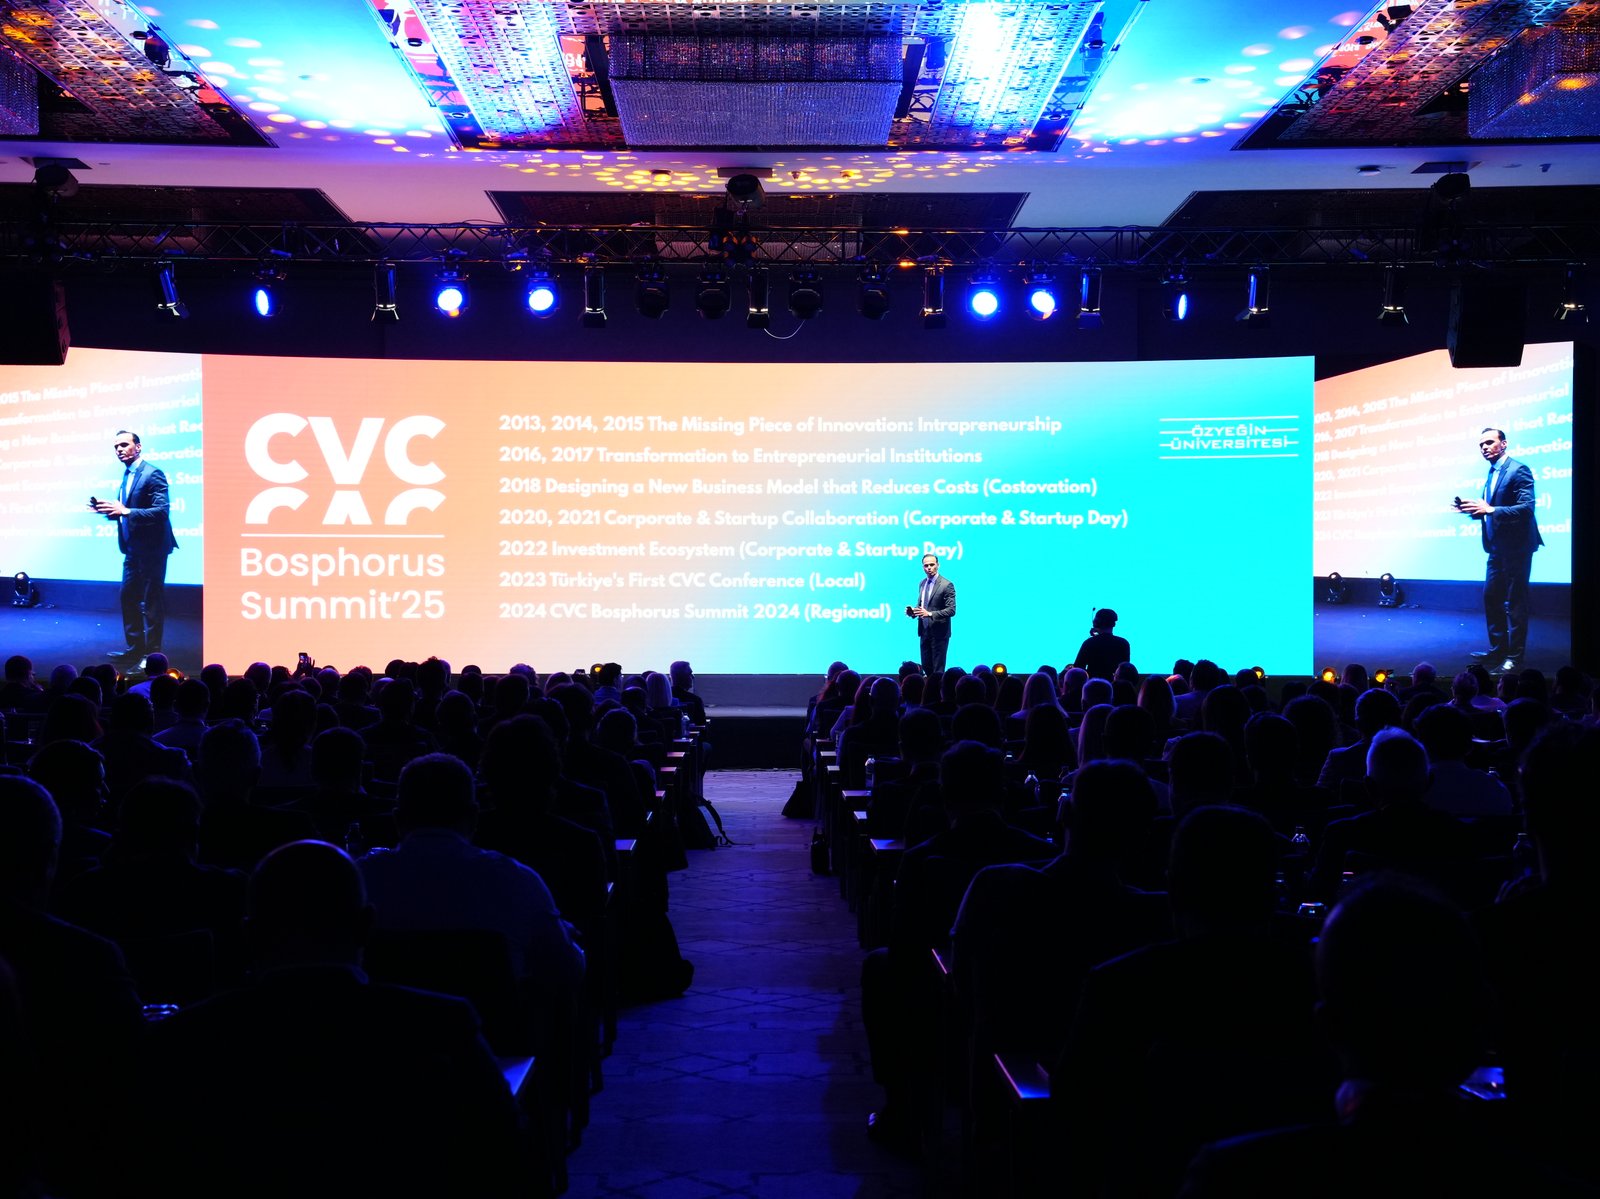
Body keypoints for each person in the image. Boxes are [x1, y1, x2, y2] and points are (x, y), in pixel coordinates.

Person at [1455, 427, 1542, 672]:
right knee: (1491, 597)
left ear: (1504, 444)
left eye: (1489, 442)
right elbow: (1491, 510)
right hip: (1496, 548)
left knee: (1515, 602)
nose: (1484, 447)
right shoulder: (1492, 473)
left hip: (1517, 548)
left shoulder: (1518, 469)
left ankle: (1514, 656)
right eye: (1481, 444)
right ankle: (1498, 650)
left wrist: (1491, 509)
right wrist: (1473, 511)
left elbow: (1526, 508)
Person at [90, 429, 178, 664]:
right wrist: (110, 512)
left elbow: (161, 511)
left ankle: (152, 655)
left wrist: (126, 510)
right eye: (116, 447)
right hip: (132, 549)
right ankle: (135, 648)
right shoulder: (127, 475)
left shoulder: (152, 473)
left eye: (124, 445)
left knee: (152, 602)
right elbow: (128, 512)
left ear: (138, 447)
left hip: (153, 549)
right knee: (128, 597)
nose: (119, 450)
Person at [908, 553, 956, 676]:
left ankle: (938, 688)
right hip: (924, 632)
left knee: (938, 670)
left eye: (932, 565)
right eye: (926, 565)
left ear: (938, 565)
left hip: (939, 633)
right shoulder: (922, 583)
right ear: (922, 567)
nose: (929, 568)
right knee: (926, 667)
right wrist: (913, 612)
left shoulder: (946, 585)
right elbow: (922, 606)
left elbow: (951, 610)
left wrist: (930, 614)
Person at [1074, 608, 1130, 680]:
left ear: (1096, 623)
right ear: (1114, 624)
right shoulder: (1123, 643)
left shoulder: (1089, 643)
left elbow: (1078, 668)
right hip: (1114, 686)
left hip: (1093, 684)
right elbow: (1125, 669)